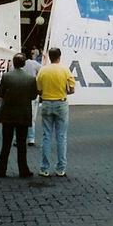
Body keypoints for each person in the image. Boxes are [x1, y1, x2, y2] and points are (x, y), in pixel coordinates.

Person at [0, 53, 38, 178]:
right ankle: (23, 170)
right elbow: (33, 96)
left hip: (7, 114)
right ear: (24, 64)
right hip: (23, 114)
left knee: (6, 144)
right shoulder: (30, 78)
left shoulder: (7, 76)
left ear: (13, 63)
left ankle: (1, 169)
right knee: (21, 144)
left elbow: (1, 93)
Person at [37, 47, 75, 177]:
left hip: (47, 102)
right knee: (61, 137)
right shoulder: (65, 70)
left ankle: (44, 167)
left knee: (46, 136)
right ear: (59, 56)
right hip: (61, 103)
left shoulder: (43, 70)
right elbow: (72, 89)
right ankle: (61, 168)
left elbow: (39, 90)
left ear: (49, 56)